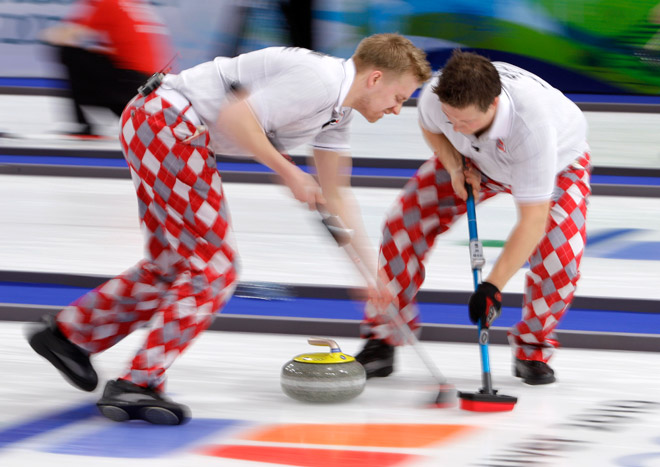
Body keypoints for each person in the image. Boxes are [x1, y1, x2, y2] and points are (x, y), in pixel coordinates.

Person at [27, 33, 432, 424]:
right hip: (170, 125)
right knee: (213, 268)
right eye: (399, 98)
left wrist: (371, 276)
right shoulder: (320, 81)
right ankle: (138, 382)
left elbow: (337, 194)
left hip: (157, 122)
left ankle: (69, 335)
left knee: (171, 262)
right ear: (375, 78)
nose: (398, 109)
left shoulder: (337, 112)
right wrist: (290, 173)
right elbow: (236, 118)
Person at [355, 50, 591, 386]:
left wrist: (492, 287)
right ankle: (383, 336)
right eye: (453, 120)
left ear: (493, 104)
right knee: (402, 224)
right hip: (474, 161)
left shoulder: (533, 126)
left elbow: (533, 221)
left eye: (466, 122)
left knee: (560, 260)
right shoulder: (439, 98)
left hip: (557, 165)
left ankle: (532, 347)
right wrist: (454, 165)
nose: (458, 127)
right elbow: (432, 128)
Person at [41, 0, 173, 138]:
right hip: (151, 84)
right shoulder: (133, 4)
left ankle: (83, 123)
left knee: (68, 53)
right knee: (96, 59)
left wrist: (47, 34)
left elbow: (66, 36)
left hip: (131, 83)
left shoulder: (109, 3)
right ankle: (124, 114)